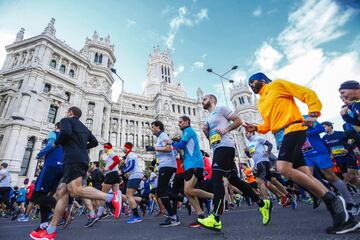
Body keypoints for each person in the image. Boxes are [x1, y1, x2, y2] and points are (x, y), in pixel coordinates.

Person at [244, 72, 358, 234]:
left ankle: (333, 199)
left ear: (262, 80)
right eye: (249, 84)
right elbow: (269, 124)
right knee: (306, 176)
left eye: (252, 82)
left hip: (294, 129)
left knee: (282, 168)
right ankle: (343, 218)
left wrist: (313, 114)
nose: (251, 85)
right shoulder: (262, 102)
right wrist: (256, 128)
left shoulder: (277, 85)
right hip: (280, 135)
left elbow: (307, 93)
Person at [30, 106, 121, 240]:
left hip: (73, 159)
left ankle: (111, 197)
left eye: (68, 112)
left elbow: (65, 133)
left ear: (71, 113)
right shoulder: (84, 127)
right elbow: (95, 142)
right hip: (81, 158)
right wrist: (80, 147)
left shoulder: (66, 121)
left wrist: (56, 144)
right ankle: (50, 230)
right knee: (62, 193)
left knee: (75, 189)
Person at [198, 94, 268, 232]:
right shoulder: (207, 118)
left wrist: (226, 129)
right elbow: (210, 137)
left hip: (226, 147)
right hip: (217, 148)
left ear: (212, 100)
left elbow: (238, 121)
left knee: (216, 179)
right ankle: (262, 203)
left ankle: (215, 218)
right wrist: (206, 132)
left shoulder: (221, 109)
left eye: (204, 99)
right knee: (234, 180)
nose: (202, 102)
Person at [303, 116, 359, 214]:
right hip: (306, 155)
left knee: (333, 177)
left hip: (319, 152)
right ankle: (332, 199)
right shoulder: (283, 124)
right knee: (307, 179)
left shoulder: (306, 117)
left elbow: (320, 128)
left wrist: (308, 133)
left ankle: (350, 203)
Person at [168, 115, 214, 227]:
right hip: (189, 164)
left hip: (195, 163)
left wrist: (171, 142)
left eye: (180, 122)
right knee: (188, 192)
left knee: (188, 190)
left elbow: (181, 144)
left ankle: (215, 196)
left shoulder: (188, 131)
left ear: (186, 122)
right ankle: (201, 216)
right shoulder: (185, 133)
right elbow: (183, 148)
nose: (179, 124)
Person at [146, 120, 180, 227]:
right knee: (162, 192)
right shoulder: (160, 138)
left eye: (152, 127)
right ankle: (183, 200)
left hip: (167, 166)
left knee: (161, 192)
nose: (151, 129)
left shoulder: (163, 135)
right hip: (165, 165)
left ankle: (173, 217)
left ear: (158, 127)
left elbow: (169, 148)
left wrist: (154, 148)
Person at [97, 143, 121, 220]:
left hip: (111, 174)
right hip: (114, 174)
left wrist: (108, 168)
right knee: (116, 194)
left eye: (105, 148)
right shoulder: (110, 154)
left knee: (103, 194)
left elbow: (117, 160)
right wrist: (105, 169)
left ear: (107, 147)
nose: (104, 149)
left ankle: (100, 214)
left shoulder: (111, 153)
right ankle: (124, 207)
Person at [121, 142, 143, 224]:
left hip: (135, 175)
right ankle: (144, 202)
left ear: (126, 147)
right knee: (130, 196)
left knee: (129, 196)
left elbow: (132, 165)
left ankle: (136, 216)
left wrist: (122, 171)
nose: (122, 148)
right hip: (134, 176)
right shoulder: (128, 155)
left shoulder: (131, 154)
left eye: (123, 147)